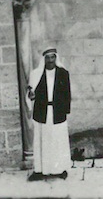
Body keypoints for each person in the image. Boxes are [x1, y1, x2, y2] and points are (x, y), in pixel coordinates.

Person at [26, 47, 71, 180]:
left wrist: (65, 111)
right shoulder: (36, 75)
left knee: (58, 141)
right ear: (43, 59)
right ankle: (40, 170)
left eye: (52, 57)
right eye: (47, 57)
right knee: (42, 141)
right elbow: (30, 94)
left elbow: (67, 94)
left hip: (58, 113)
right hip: (42, 112)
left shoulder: (63, 73)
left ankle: (60, 169)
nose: (50, 60)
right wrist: (31, 95)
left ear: (56, 58)